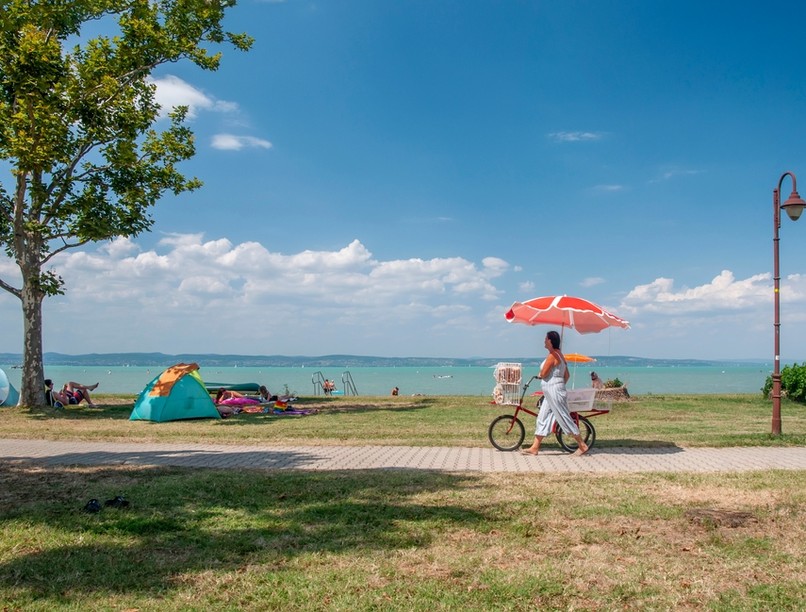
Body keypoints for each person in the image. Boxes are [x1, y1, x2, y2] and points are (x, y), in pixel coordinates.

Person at [522, 330, 589, 457]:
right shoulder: (560, 355)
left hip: (553, 391)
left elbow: (543, 374)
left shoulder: (552, 355)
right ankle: (535, 447)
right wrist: (559, 384)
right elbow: (567, 375)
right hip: (551, 391)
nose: (544, 341)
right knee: (542, 417)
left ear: (551, 341)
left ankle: (582, 445)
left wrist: (545, 378)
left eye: (546, 339)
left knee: (564, 417)